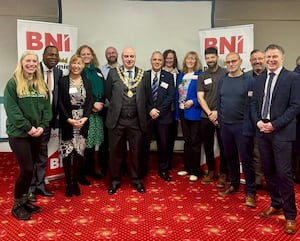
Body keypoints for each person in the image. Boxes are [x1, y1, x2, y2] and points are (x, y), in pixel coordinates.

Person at [251, 44, 300, 234]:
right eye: (268, 57)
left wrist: (275, 124)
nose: (271, 60)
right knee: (268, 170)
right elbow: (253, 104)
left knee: (284, 174)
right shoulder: (259, 79)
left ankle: (290, 215)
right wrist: (258, 122)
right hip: (262, 132)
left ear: (283, 57)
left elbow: (295, 106)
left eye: (274, 56)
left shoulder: (293, 78)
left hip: (282, 133)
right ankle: (276, 202)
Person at [4, 51, 52, 220]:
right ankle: (16, 205)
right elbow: (12, 110)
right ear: (22, 63)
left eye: (34, 61)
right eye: (28, 61)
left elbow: (47, 108)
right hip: (19, 134)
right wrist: (28, 127)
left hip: (37, 132)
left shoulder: (41, 83)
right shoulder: (13, 83)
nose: (31, 64)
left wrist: (42, 126)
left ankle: (25, 201)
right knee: (26, 169)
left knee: (31, 169)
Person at [217, 52, 256, 209]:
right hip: (226, 126)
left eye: (234, 61)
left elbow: (253, 105)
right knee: (230, 157)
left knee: (246, 160)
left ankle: (250, 192)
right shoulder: (223, 80)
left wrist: (249, 125)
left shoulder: (249, 80)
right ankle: (234, 184)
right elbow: (219, 102)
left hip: (243, 126)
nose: (231, 64)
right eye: (228, 62)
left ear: (240, 62)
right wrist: (220, 121)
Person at [105, 47, 147, 194]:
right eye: (126, 56)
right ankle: (115, 180)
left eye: (132, 56)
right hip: (117, 120)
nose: (129, 59)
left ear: (135, 58)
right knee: (115, 152)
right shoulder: (113, 73)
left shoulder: (143, 74)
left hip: (136, 120)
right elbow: (108, 93)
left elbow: (147, 96)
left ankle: (136, 180)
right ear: (122, 58)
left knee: (136, 152)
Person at [28, 46, 62, 202]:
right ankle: (30, 188)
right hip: (32, 123)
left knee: (42, 155)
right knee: (31, 157)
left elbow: (56, 98)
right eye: (50, 54)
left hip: (47, 122)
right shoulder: (34, 70)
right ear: (43, 56)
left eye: (56, 55)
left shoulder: (58, 72)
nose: (53, 57)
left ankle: (40, 185)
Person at [58, 54, 93, 197]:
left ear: (82, 65)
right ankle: (68, 183)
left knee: (79, 152)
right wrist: (68, 119)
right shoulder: (63, 81)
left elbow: (90, 101)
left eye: (79, 63)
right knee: (67, 153)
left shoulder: (87, 81)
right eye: (74, 63)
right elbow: (59, 102)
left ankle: (75, 182)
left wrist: (85, 117)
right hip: (68, 122)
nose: (76, 66)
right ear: (70, 65)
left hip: (82, 122)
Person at [197, 47, 227, 188]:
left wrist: (217, 112)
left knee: (224, 145)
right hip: (206, 116)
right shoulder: (202, 76)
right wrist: (210, 113)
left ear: (217, 57)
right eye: (207, 58)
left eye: (212, 57)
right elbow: (200, 96)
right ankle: (211, 171)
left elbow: (228, 95)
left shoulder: (226, 73)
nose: (210, 60)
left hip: (222, 115)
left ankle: (223, 173)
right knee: (208, 145)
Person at [76, 45, 105, 184]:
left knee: (92, 144)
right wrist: (93, 104)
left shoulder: (98, 71)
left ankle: (91, 170)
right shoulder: (78, 71)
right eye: (83, 54)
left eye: (89, 53)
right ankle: (81, 174)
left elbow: (105, 89)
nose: (86, 56)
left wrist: (101, 103)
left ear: (92, 56)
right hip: (84, 112)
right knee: (83, 143)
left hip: (97, 114)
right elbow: (79, 92)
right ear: (79, 56)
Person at [144, 51, 175, 181]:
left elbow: (170, 96)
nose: (157, 62)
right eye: (154, 59)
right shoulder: (144, 75)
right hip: (147, 116)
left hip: (163, 117)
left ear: (162, 62)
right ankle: (142, 169)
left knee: (163, 145)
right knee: (144, 144)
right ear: (151, 60)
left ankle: (163, 170)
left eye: (159, 60)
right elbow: (141, 96)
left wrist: (158, 111)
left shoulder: (168, 76)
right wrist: (150, 110)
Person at [175, 51, 203, 182]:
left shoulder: (200, 75)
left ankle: (195, 171)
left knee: (195, 143)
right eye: (188, 59)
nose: (190, 61)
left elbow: (204, 95)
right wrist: (177, 115)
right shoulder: (181, 75)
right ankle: (187, 168)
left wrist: (194, 101)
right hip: (182, 112)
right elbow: (177, 95)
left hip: (195, 112)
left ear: (196, 61)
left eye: (193, 59)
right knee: (187, 142)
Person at [246, 49, 266, 190]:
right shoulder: (246, 77)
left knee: (262, 153)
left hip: (268, 122)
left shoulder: (272, 76)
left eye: (260, 58)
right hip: (248, 122)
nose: (257, 61)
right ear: (250, 61)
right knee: (251, 152)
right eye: (254, 59)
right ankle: (254, 180)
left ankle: (264, 181)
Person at [162, 49, 179, 170]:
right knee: (163, 139)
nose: (169, 60)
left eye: (171, 58)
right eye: (167, 58)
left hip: (175, 110)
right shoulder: (158, 73)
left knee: (171, 137)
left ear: (174, 59)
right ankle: (163, 162)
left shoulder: (180, 73)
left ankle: (169, 161)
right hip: (162, 111)